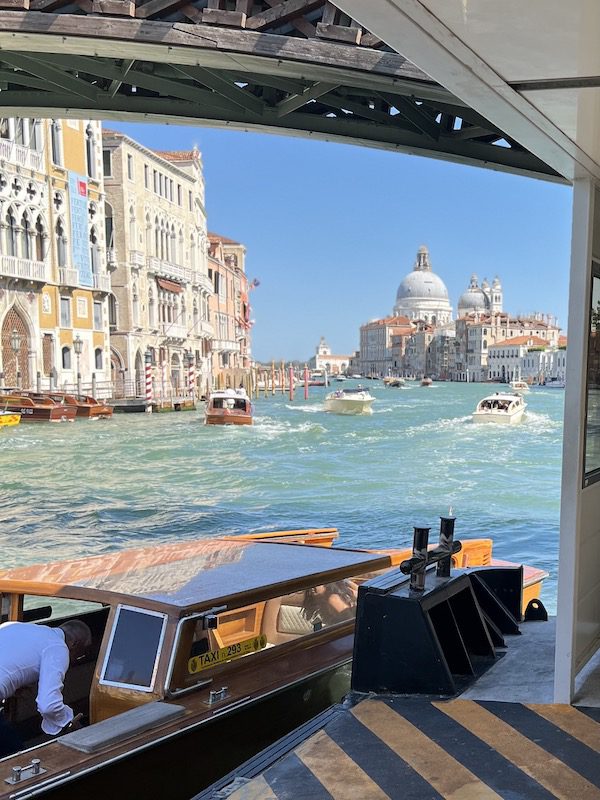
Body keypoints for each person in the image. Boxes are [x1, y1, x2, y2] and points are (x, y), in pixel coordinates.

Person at [0, 619, 92, 754]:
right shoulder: (58, 647)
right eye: (80, 654)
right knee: (17, 759)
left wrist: (13, 686)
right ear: (73, 644)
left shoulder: (14, 626)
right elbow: (48, 705)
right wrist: (70, 723)